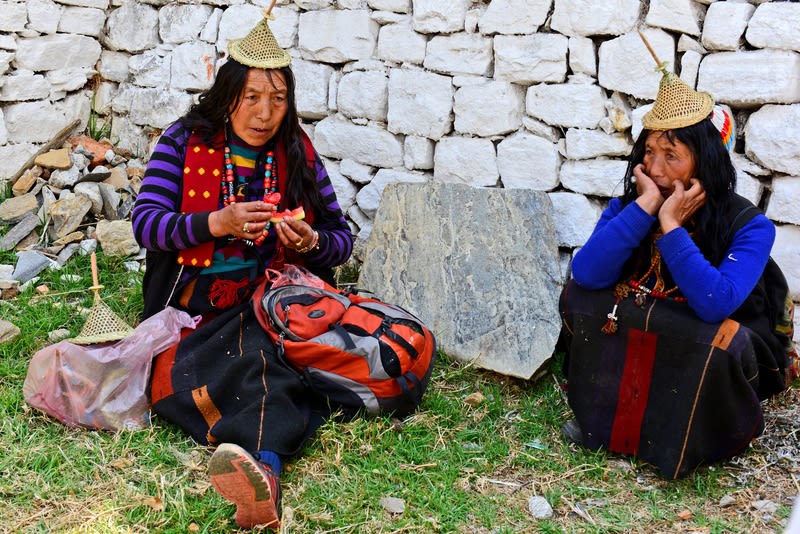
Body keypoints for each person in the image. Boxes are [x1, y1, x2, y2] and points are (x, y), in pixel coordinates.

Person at [131, 5, 352, 529]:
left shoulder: (296, 151)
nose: (264, 112)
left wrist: (313, 238)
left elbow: (341, 242)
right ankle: (267, 467)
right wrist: (217, 222)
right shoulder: (183, 142)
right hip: (201, 310)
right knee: (258, 364)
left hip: (279, 303)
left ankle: (261, 470)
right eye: (251, 97)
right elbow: (147, 224)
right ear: (226, 94)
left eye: (278, 99)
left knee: (268, 353)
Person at [558, 54, 798, 479]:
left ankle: (695, 438)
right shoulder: (631, 207)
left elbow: (714, 304)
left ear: (704, 161)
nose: (656, 169)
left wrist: (670, 227)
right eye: (650, 152)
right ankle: (604, 422)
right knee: (581, 299)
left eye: (672, 155)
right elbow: (588, 275)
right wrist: (648, 206)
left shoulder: (751, 227)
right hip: (659, 322)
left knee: (716, 339)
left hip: (721, 340)